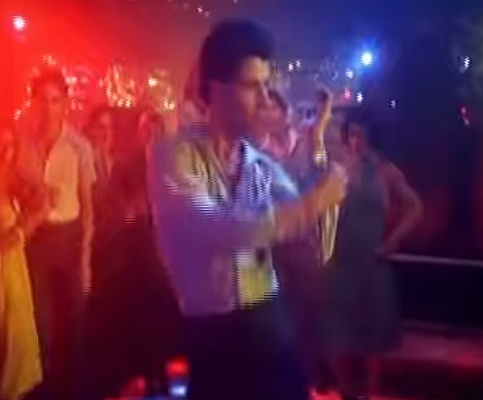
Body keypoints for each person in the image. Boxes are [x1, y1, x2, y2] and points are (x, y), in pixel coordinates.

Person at [147, 20, 347, 400]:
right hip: (213, 337)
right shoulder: (173, 155)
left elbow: (311, 232)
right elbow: (219, 230)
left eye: (267, 87)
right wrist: (315, 202)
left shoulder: (259, 164)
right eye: (253, 86)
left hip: (271, 324)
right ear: (215, 89)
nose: (266, 99)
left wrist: (319, 146)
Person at [326, 108, 423, 400]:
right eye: (352, 134)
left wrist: (393, 240)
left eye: (362, 134)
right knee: (339, 329)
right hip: (339, 258)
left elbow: (415, 206)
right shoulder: (334, 168)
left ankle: (371, 391)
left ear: (371, 137)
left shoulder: (384, 170)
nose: (356, 141)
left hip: (372, 258)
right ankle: (345, 391)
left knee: (374, 331)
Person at [19, 70, 96, 400]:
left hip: (69, 237)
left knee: (75, 320)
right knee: (41, 319)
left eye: (55, 100)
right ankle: (46, 388)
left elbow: (88, 206)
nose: (48, 108)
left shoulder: (80, 146)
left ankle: (77, 388)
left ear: (65, 103)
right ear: (33, 103)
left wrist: (85, 255)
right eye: (42, 100)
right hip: (37, 238)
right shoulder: (23, 144)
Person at [256, 88, 339, 393]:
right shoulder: (257, 154)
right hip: (273, 248)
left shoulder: (303, 145)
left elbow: (318, 168)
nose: (270, 114)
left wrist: (323, 118)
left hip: (304, 245)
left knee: (309, 317)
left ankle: (310, 377)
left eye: (274, 108)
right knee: (278, 324)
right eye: (264, 109)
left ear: (285, 113)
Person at [0, 120, 44, 400]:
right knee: (8, 346)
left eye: (10, 144)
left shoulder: (7, 180)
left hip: (15, 266)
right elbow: (0, 243)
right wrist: (34, 218)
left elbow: (22, 228)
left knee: (16, 343)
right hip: (1, 271)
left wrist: (36, 206)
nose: (5, 150)